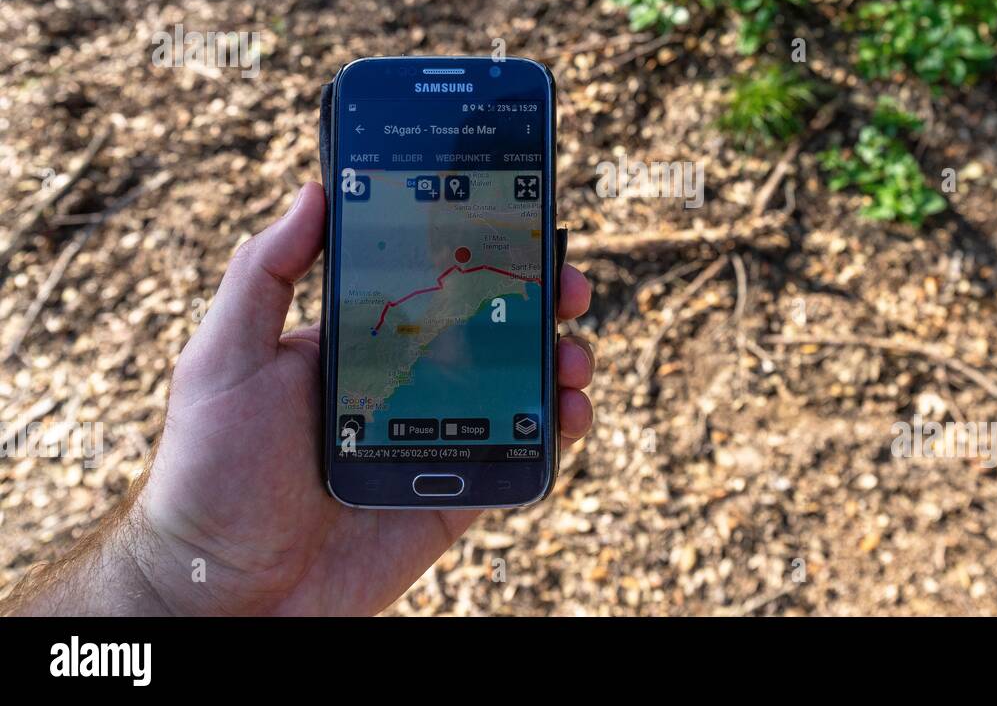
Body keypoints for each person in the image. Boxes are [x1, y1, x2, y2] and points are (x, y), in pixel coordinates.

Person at [0, 182, 596, 615]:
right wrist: (165, 574)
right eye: (446, 231)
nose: (456, 253)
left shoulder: (404, 326)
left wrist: (169, 580)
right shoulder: (382, 330)